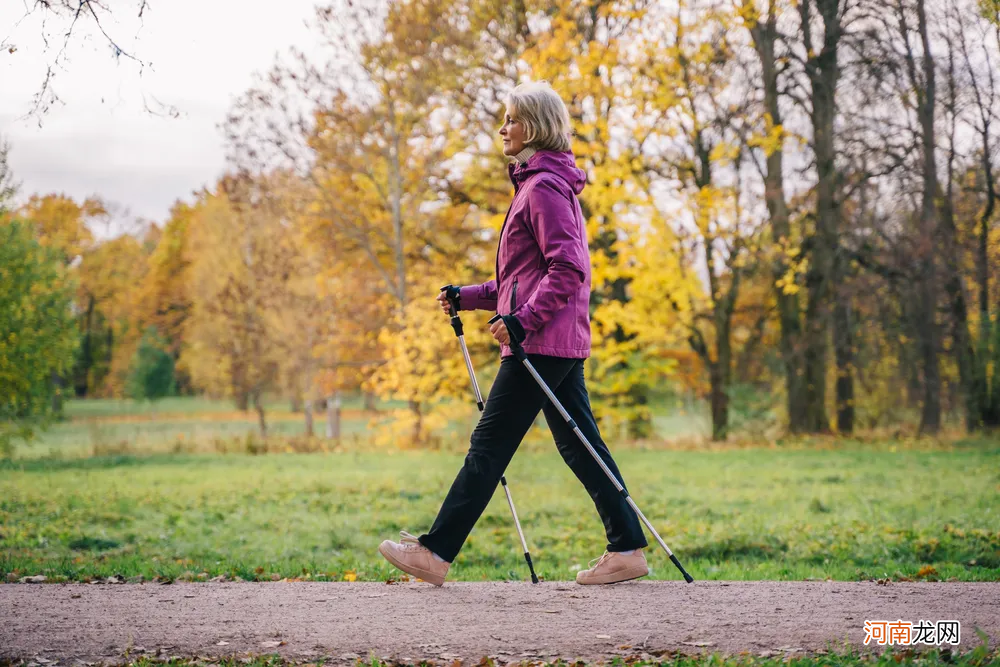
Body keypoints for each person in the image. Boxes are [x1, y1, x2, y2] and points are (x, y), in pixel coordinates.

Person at [378, 81, 649, 586]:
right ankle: (628, 548)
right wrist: (469, 295)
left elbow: (568, 269)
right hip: (551, 338)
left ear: (536, 126)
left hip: (539, 341)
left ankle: (434, 555)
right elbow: (516, 281)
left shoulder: (544, 187)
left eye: (511, 119)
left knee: (489, 445)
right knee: (578, 443)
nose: (502, 128)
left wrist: (522, 322)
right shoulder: (535, 185)